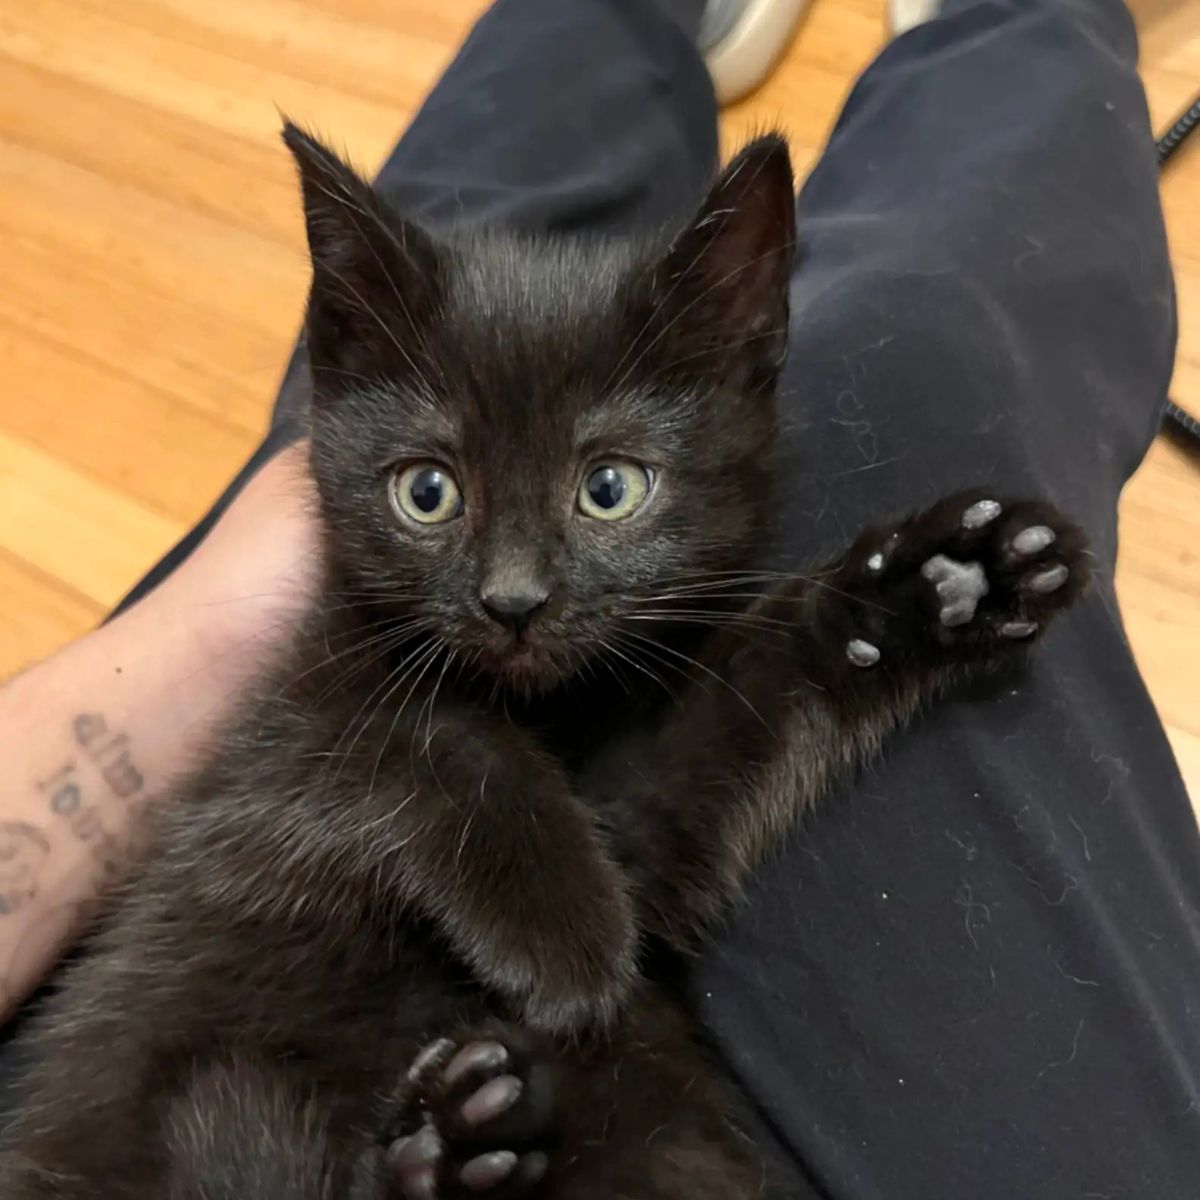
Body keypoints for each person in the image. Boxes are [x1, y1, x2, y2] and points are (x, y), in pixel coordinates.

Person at [1, 0, 1197, 1194]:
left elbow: (625, 852)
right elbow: (594, 919)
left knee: (515, 220)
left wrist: (835, 641)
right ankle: (1019, 21)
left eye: (606, 489)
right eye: (430, 494)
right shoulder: (356, 697)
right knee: (923, 357)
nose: (512, 587)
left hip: (303, 1100)